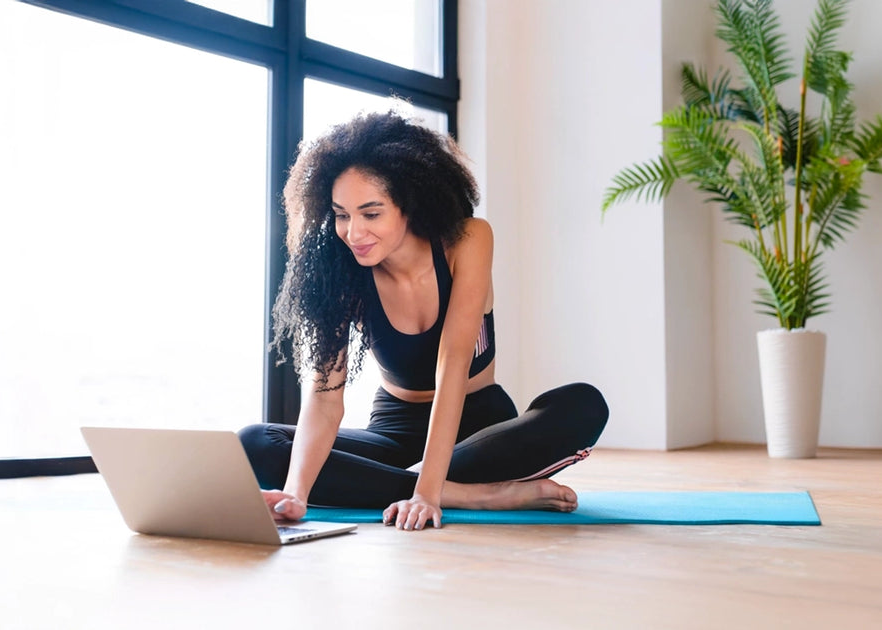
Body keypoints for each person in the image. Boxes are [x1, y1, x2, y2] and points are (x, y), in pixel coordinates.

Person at [239, 109, 608, 532]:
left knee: (584, 404)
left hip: (477, 427)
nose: (353, 232)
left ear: (409, 204)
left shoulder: (467, 240)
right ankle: (478, 494)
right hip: (395, 431)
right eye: (342, 214)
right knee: (255, 443)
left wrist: (428, 493)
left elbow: (453, 363)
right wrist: (296, 494)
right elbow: (324, 401)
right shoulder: (340, 272)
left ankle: (420, 483)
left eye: (371, 213)